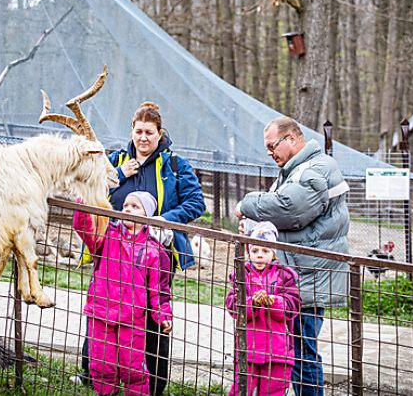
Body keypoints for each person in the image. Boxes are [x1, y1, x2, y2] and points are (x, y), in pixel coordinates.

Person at [75, 101, 206, 395]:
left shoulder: (175, 166)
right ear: (131, 132)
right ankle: (94, 373)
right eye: (138, 131)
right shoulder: (116, 159)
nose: (143, 138)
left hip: (156, 254)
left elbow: (197, 203)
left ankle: (152, 383)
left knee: (153, 314)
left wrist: (164, 219)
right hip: (113, 250)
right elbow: (90, 188)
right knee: (106, 310)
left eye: (149, 132)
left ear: (160, 134)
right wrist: (119, 174)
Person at [235, 116, 350, 396]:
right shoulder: (294, 171)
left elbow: (289, 210)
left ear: (292, 139)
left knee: (302, 355)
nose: (270, 153)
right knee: (294, 353)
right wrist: (253, 226)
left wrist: (246, 204)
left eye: (272, 145)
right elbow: (278, 222)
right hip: (297, 277)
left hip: (308, 279)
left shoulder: (315, 170)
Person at [73, 191, 173, 396]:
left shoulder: (153, 250)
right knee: (101, 366)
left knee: (133, 370)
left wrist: (163, 315)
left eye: (135, 207)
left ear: (146, 216)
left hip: (132, 318)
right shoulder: (107, 235)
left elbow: (159, 290)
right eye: (126, 205)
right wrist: (83, 199)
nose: (128, 209)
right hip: (100, 314)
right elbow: (83, 227)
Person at [225, 221, 301, 396]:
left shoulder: (285, 275)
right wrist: (253, 303)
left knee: (274, 392)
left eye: (265, 251)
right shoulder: (241, 274)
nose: (259, 255)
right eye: (254, 250)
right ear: (248, 252)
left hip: (278, 351)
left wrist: (272, 301)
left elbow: (292, 306)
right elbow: (232, 306)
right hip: (248, 349)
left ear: (274, 253)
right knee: (240, 390)